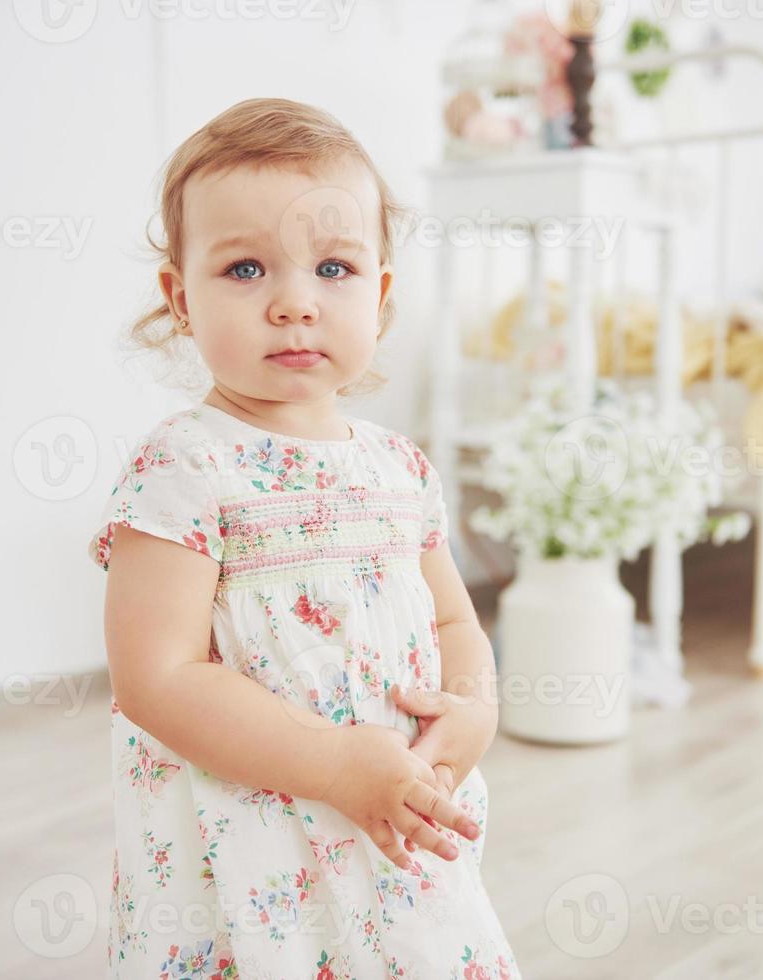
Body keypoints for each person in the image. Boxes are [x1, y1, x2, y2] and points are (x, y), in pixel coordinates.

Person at [88, 97, 520, 978]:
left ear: (381, 295)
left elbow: (453, 626)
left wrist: (474, 708)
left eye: (332, 267)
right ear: (181, 298)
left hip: (394, 818)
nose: (293, 304)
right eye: (245, 270)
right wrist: (328, 763)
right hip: (253, 842)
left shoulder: (399, 468)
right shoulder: (184, 468)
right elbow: (155, 679)